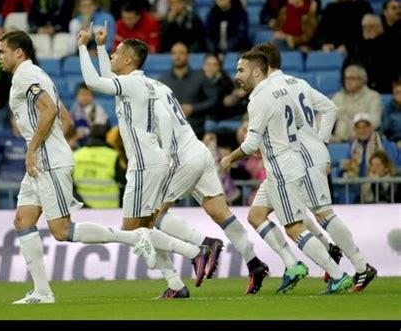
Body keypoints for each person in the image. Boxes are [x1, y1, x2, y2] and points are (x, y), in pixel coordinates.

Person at [94, 22, 270, 296]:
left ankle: (202, 245)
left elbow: (159, 116)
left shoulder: (136, 89)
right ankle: (254, 262)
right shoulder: (158, 86)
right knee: (220, 213)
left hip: (180, 158)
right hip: (198, 151)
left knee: (150, 221)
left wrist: (166, 156)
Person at [0, 30, 169, 304]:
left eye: (2, 51)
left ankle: (134, 239)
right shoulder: (38, 75)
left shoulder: (26, 75)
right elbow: (65, 117)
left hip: (46, 161)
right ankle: (42, 292)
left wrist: (35, 148)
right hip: (45, 159)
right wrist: (49, 145)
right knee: (23, 220)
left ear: (19, 52)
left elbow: (50, 111)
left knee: (61, 230)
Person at [77, 23, 214, 296]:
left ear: (129, 60)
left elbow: (94, 82)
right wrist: (102, 48)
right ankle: (175, 284)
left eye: (116, 53)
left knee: (130, 231)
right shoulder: (139, 82)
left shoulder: (131, 84)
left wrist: (83, 46)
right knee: (145, 229)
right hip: (154, 161)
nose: (113, 56)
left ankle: (194, 250)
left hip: (144, 165)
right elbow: (108, 77)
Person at [220, 50, 354, 295]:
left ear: (257, 71)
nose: (237, 75)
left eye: (241, 70)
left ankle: (337, 275)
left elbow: (249, 145)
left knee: (293, 226)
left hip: (282, 168)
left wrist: (229, 158)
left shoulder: (259, 98)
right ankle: (293, 265)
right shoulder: (281, 90)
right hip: (286, 163)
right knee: (257, 215)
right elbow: (301, 125)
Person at [250, 42, 377, 293]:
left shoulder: (271, 90)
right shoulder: (298, 83)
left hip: (301, 157)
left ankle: (362, 267)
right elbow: (330, 108)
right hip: (284, 161)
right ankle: (314, 254)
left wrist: (317, 146)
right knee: (256, 215)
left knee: (322, 214)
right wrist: (322, 141)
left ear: (262, 65)